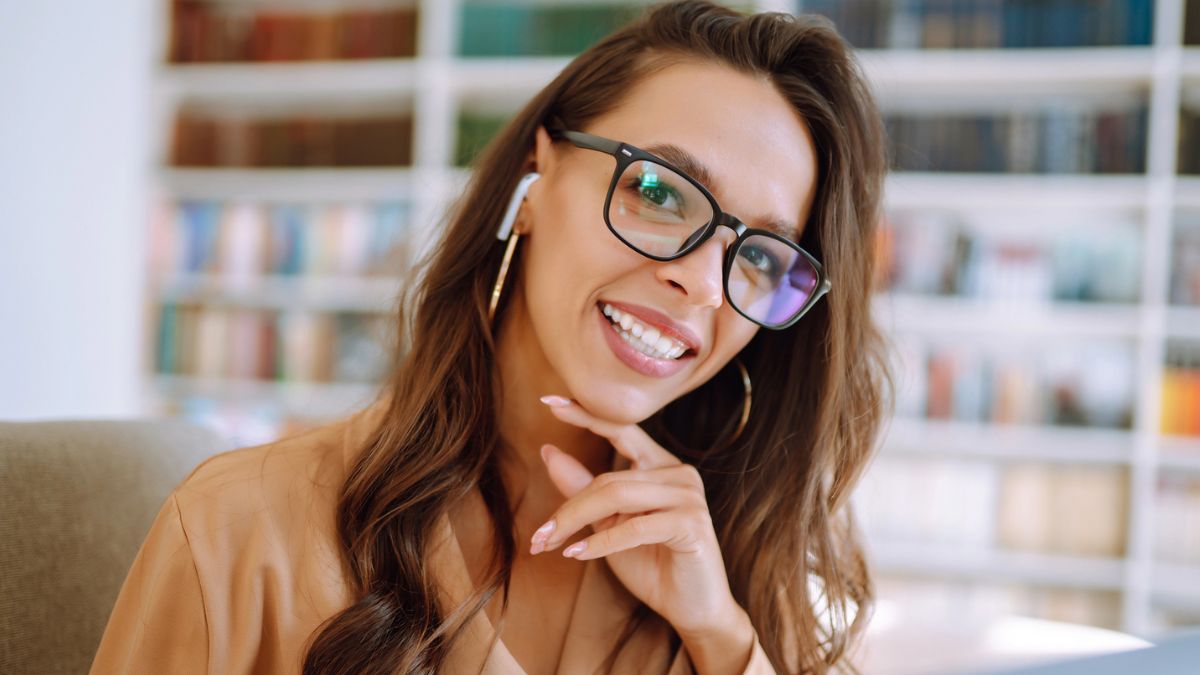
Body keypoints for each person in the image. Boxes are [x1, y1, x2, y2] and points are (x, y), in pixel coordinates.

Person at [91, 1, 891, 673]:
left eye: (759, 256)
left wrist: (719, 634)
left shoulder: (735, 592)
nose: (704, 284)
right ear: (536, 180)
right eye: (657, 191)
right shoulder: (237, 532)